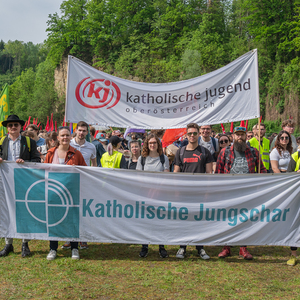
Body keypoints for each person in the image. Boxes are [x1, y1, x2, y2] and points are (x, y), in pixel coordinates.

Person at [215, 126, 267, 260]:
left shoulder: (254, 152)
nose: (240, 137)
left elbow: (262, 170)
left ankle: (243, 248)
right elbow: (218, 174)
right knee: (227, 219)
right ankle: (226, 246)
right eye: (237, 135)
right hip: (228, 193)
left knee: (245, 220)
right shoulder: (224, 152)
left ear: (245, 136)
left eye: (242, 135)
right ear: (233, 136)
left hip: (247, 193)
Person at [0, 114, 41, 258]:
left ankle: (25, 244)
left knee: (24, 213)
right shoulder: (2, 141)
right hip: (5, 183)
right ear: (7, 128)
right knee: (6, 212)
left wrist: (25, 162)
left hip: (23, 182)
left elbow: (37, 159)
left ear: (20, 127)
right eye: (10, 125)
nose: (12, 127)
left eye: (15, 125)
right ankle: (8, 243)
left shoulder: (29, 142)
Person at [44, 126, 86, 260]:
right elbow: (43, 172)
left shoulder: (76, 154)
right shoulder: (50, 153)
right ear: (57, 138)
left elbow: (86, 171)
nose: (65, 138)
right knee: (54, 220)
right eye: (62, 135)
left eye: (67, 135)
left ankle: (74, 248)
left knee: (72, 220)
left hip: (71, 192)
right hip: (54, 192)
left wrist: (77, 170)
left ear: (71, 137)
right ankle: (53, 249)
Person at [173, 123, 213, 260]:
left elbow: (209, 173)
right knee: (183, 220)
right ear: (186, 135)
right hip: (184, 194)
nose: (192, 136)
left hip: (199, 194)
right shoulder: (181, 151)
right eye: (189, 133)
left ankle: (200, 248)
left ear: (198, 134)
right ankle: (182, 247)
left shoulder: (205, 152)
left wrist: (207, 192)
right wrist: (177, 191)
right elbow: (176, 173)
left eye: (194, 133)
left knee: (199, 220)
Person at [136, 133, 169, 258]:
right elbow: (139, 178)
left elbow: (166, 175)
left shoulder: (163, 158)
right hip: (146, 195)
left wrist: (157, 188)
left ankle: (161, 246)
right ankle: (145, 246)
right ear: (146, 144)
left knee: (160, 222)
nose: (152, 145)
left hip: (160, 195)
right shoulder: (142, 159)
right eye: (150, 143)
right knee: (146, 222)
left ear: (158, 144)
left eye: (154, 143)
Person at [286, 143, 300, 265]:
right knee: (295, 223)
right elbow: (289, 176)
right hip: (297, 195)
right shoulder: (296, 155)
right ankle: (293, 254)